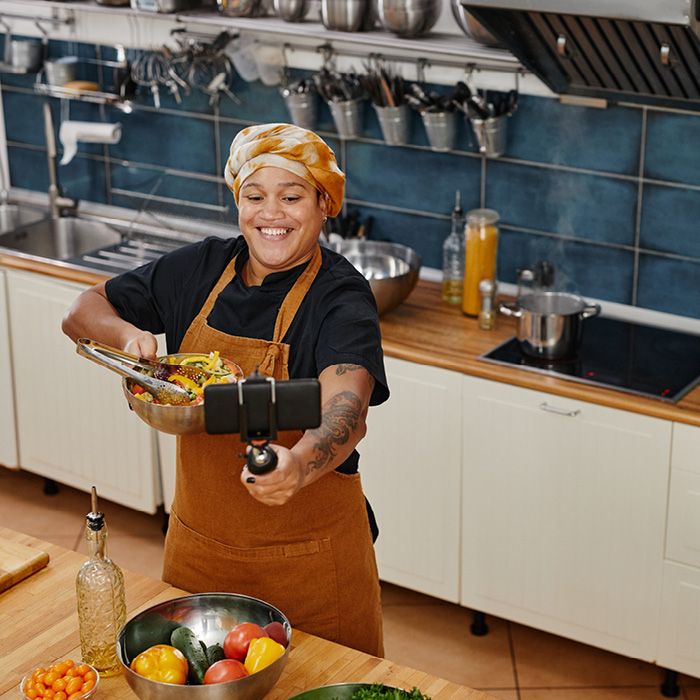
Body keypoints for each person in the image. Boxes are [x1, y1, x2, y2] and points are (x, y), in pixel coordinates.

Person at [62, 123, 389, 657]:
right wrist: (129, 336)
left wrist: (298, 465)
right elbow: (81, 312)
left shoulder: (342, 297)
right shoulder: (202, 267)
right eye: (254, 196)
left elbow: (346, 410)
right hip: (199, 552)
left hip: (309, 570)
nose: (271, 214)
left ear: (324, 203)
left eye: (292, 196)